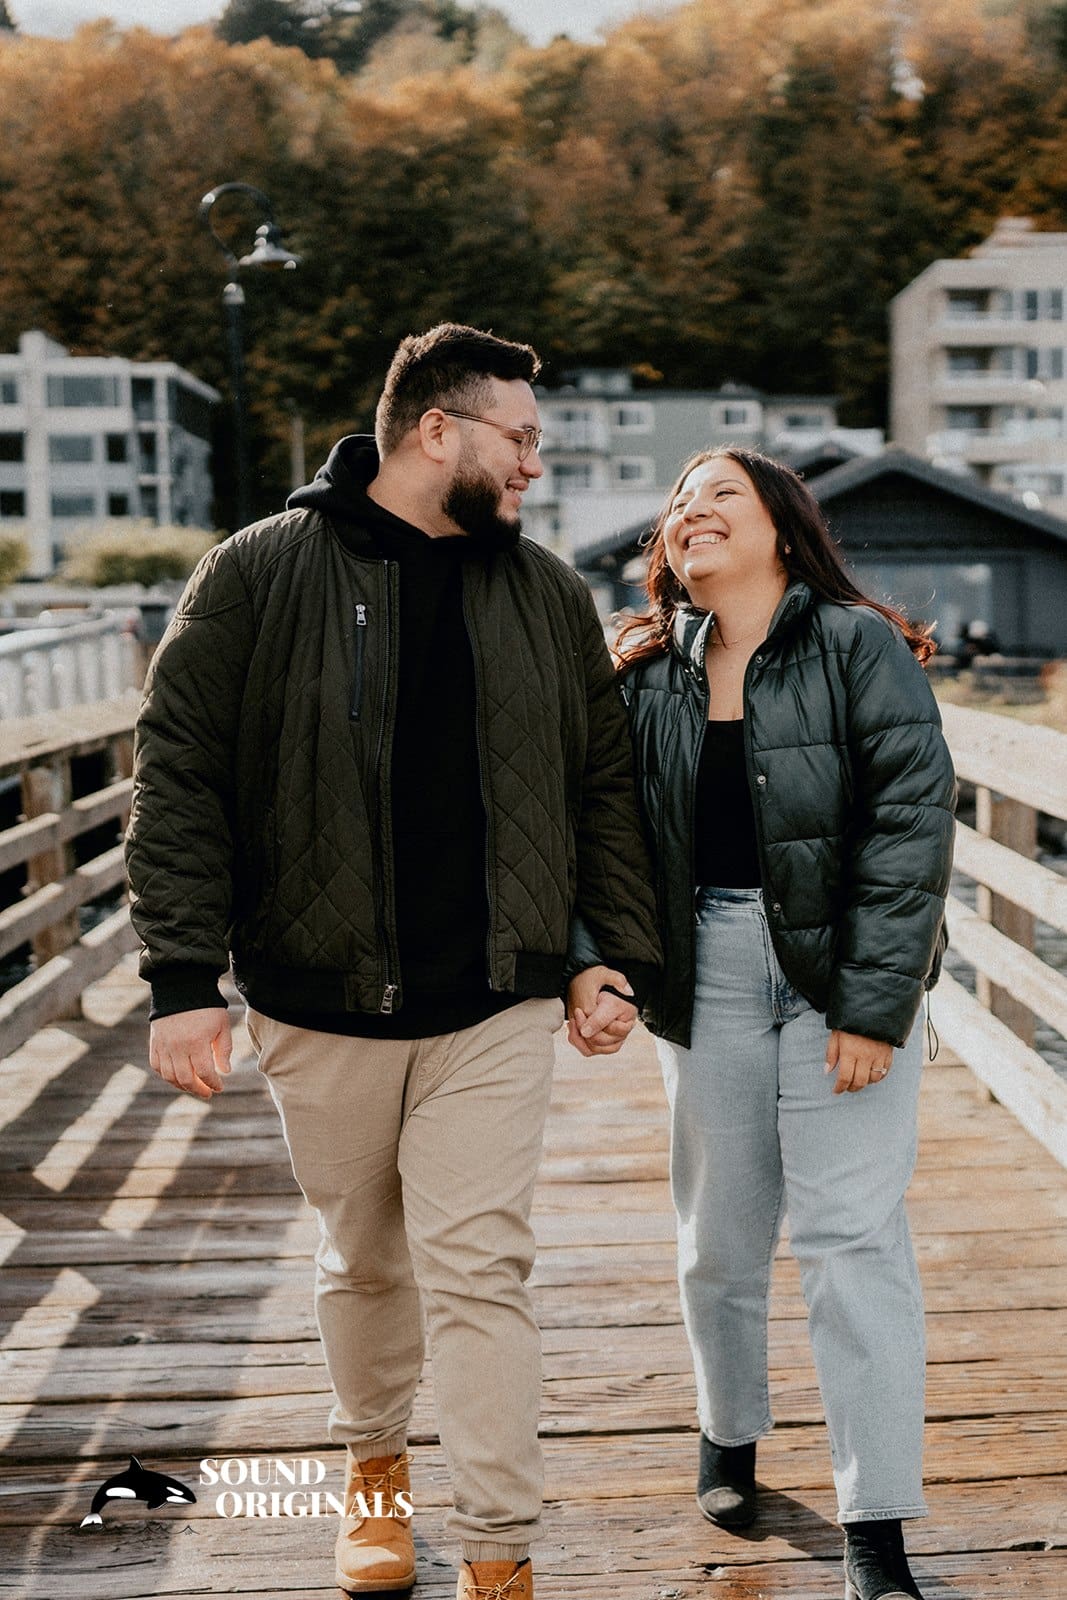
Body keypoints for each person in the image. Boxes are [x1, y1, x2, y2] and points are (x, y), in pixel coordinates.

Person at [125, 323, 661, 1600]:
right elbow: (179, 771)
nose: (535, 465)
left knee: (480, 1263)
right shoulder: (257, 572)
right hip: (319, 998)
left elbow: (595, 790)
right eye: (518, 439)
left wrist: (600, 955)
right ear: (435, 432)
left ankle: (497, 1545)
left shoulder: (542, 593)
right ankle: (373, 1474)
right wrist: (183, 979)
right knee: (366, 1260)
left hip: (493, 995)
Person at [605, 446, 956, 1600]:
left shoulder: (853, 645)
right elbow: (592, 835)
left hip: (833, 970)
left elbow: (910, 822)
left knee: (851, 1244)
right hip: (696, 969)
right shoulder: (643, 667)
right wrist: (585, 966)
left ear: (779, 527)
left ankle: (875, 1526)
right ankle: (728, 1427)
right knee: (718, 1238)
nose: (687, 511)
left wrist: (871, 1001)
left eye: (717, 495)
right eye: (676, 501)